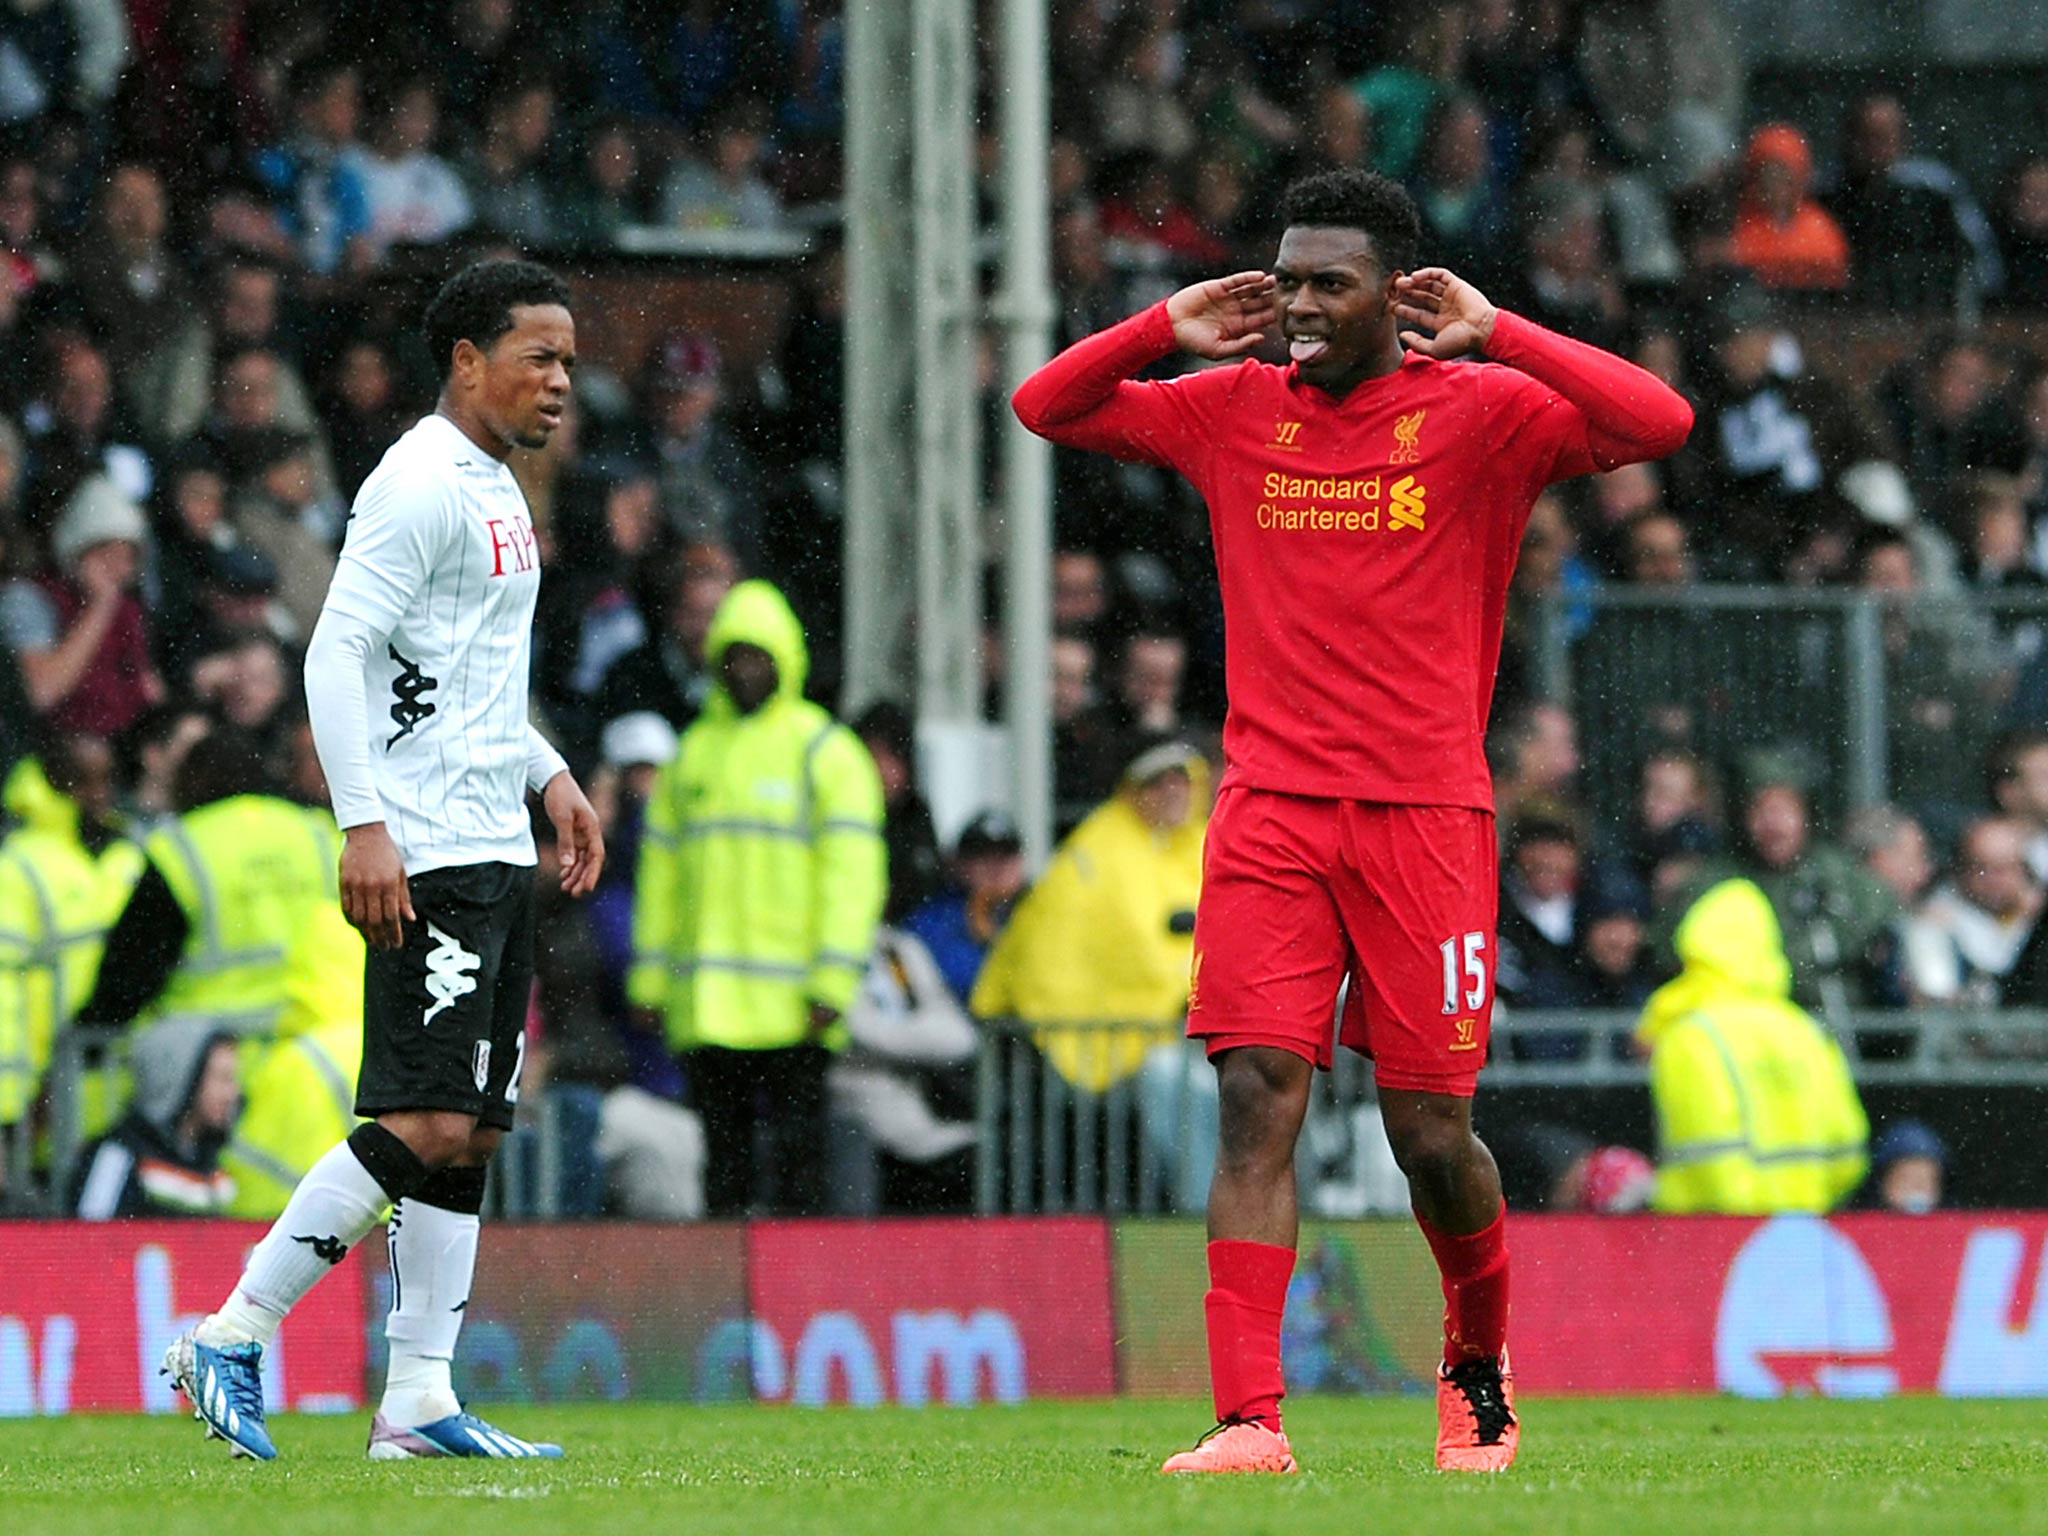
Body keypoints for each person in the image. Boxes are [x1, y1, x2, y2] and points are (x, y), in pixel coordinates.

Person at [1011, 168, 1692, 1474]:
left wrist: (1507, 333)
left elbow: (1659, 420)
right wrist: (1159, 329)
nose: (1301, 306)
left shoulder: (1482, 411)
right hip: (1268, 813)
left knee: (1429, 1132)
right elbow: (1046, 406)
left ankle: (1477, 1369)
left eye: (1330, 283)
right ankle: (1247, 1419)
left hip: (1425, 818)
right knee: (1254, 1097)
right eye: (1288, 282)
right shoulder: (1231, 409)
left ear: (1396, 293)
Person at [161, 260, 604, 1464]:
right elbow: (337, 651)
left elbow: (465, 678)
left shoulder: (496, 485)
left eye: (568, 361)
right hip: (431, 849)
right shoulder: (415, 485)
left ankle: (416, 1400)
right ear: (467, 359)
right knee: (424, 1118)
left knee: (471, 1132)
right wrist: (364, 826)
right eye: (539, 357)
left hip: (492, 840)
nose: (561, 381)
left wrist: (549, 774)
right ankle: (230, 1332)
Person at [630, 579, 885, 1218]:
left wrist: (833, 981)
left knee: (800, 1169)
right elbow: (660, 879)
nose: (745, 670)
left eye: (757, 656)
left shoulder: (825, 753)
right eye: (734, 656)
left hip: (795, 1008)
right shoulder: (693, 755)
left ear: (784, 659)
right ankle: (733, 1276)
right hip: (709, 1008)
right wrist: (651, 982)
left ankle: (802, 1276)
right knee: (725, 1171)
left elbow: (852, 879)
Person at [1634, 878, 1868, 1215]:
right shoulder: (1806, 1031)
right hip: (1803, 1225)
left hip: (1710, 1231)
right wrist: (1797, 1203)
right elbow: (1847, 1154)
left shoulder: (1691, 1034)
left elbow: (1707, 1150)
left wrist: (1745, 1216)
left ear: (1695, 943)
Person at [69, 1020, 240, 1219]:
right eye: (222, 1078)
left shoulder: (209, 1162)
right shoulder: (116, 1157)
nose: (233, 1093)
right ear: (181, 1079)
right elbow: (90, 1235)